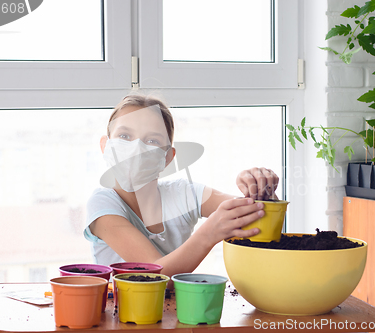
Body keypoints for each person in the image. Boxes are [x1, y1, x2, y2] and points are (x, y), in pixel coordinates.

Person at [84, 94, 279, 279]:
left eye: (152, 141)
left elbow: (258, 217)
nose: (137, 149)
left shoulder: (184, 193)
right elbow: (155, 274)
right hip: (118, 313)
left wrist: (259, 189)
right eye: (125, 136)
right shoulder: (102, 204)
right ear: (105, 146)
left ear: (167, 158)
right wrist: (209, 234)